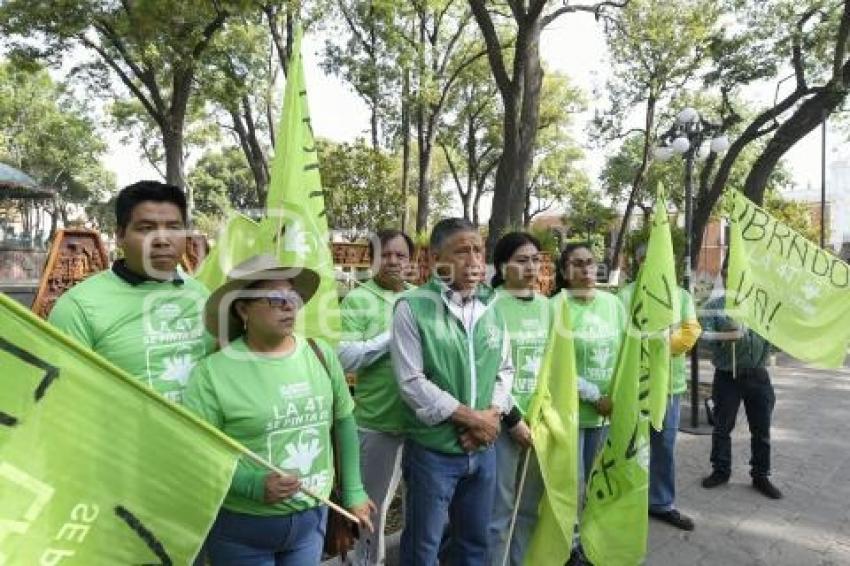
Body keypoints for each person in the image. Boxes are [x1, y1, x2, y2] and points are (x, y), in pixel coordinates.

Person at [184, 254, 375, 565]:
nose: (289, 305)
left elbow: (343, 421)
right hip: (242, 529)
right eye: (275, 297)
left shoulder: (320, 355)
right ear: (243, 308)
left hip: (311, 522)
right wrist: (251, 485)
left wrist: (354, 490)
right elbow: (196, 453)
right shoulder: (212, 373)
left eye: (292, 296)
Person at [391, 217, 514, 566]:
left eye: (478, 250)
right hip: (433, 453)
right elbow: (411, 382)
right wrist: (472, 418)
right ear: (434, 258)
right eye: (462, 251)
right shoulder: (412, 307)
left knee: (474, 543)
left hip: (484, 449)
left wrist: (491, 417)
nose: (474, 260)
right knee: (423, 548)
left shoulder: (492, 307)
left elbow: (505, 371)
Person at [49, 180, 213, 404]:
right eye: (146, 228)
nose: (162, 240)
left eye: (174, 228)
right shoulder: (78, 308)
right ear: (120, 235)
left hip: (198, 436)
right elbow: (62, 397)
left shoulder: (202, 296)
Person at [337, 228, 415, 565]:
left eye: (401, 255)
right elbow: (347, 358)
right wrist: (392, 337)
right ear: (373, 259)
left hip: (419, 424)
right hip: (375, 424)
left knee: (420, 506)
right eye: (386, 254)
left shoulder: (421, 298)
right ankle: (365, 561)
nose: (394, 261)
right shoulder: (358, 299)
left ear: (411, 262)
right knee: (373, 508)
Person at [551, 242, 624, 565]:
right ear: (565, 272)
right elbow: (555, 364)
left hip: (609, 415)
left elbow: (627, 351)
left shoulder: (614, 304)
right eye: (577, 264)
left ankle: (595, 540)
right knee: (572, 483)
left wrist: (620, 395)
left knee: (600, 482)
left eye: (591, 263)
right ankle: (568, 545)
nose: (586, 270)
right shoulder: (555, 306)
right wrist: (595, 396)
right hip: (570, 413)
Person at [619, 244, 701, 531]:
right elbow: (621, 336)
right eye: (645, 260)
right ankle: (627, 501)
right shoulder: (626, 295)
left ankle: (662, 502)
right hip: (632, 386)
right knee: (629, 445)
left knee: (663, 446)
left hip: (669, 387)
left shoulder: (681, 296)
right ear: (638, 263)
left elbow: (690, 333)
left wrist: (658, 345)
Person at [486, 232, 550, 566]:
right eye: (521, 260)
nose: (531, 267)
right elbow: (488, 372)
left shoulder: (548, 308)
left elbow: (556, 367)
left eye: (535, 259)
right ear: (502, 265)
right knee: (498, 511)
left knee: (528, 508)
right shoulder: (489, 306)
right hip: (504, 424)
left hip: (541, 424)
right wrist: (513, 421)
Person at [699, 261, 783, 499]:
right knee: (722, 427)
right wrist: (726, 336)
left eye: (737, 273)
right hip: (728, 376)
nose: (731, 277)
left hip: (757, 375)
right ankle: (721, 470)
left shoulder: (761, 307)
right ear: (723, 275)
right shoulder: (715, 307)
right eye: (727, 273)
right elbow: (703, 339)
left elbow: (775, 339)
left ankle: (761, 475)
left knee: (762, 428)